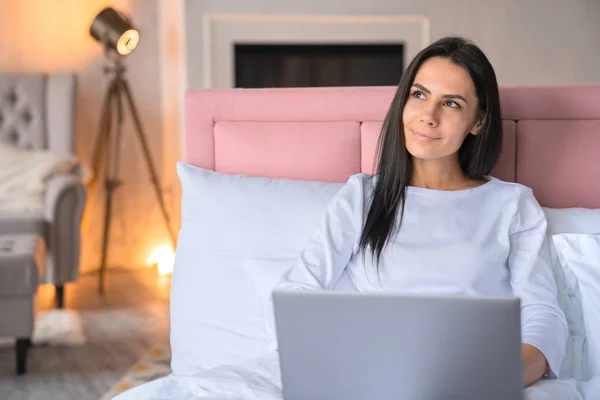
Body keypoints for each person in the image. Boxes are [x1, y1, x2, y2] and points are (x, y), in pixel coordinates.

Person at [270, 36, 568, 388]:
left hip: (479, 381)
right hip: (376, 380)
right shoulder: (362, 197)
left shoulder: (512, 205)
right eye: (419, 95)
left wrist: (491, 380)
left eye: (452, 104)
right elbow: (297, 294)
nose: (428, 116)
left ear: (478, 122)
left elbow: (543, 316)